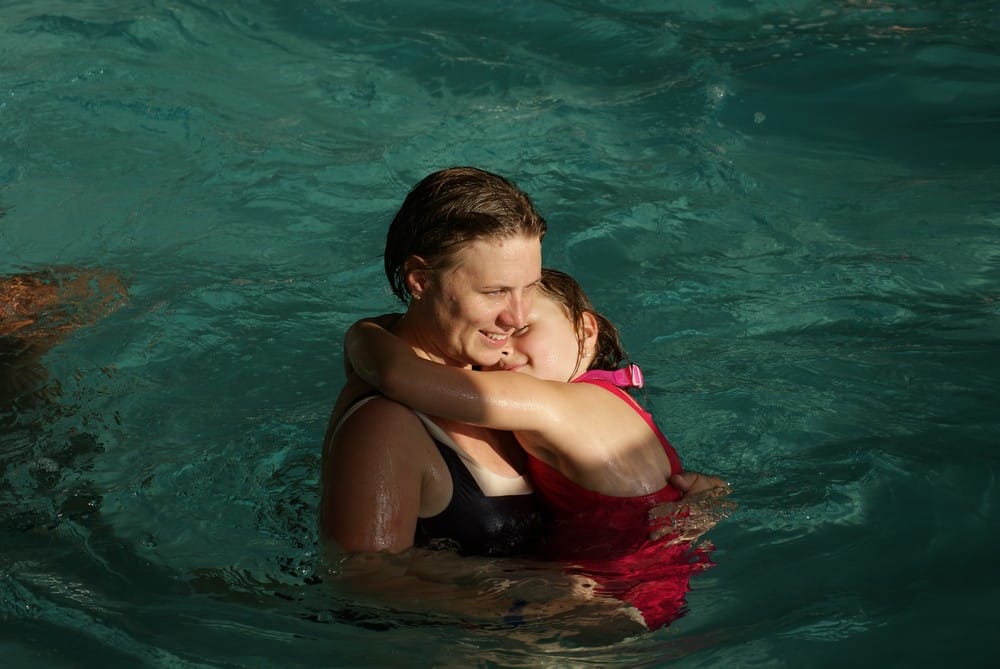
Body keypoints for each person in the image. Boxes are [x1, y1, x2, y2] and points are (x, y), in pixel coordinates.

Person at [344, 268, 728, 628]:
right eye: (494, 337)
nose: (503, 351)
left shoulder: (555, 405)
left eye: (522, 328)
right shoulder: (614, 401)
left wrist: (364, 332)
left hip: (610, 603)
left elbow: (402, 377)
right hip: (663, 589)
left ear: (585, 331)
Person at [320, 166, 549, 558]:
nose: (518, 317)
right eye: (494, 292)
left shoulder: (502, 365)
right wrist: (535, 605)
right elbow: (363, 584)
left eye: (530, 288)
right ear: (420, 280)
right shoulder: (384, 426)